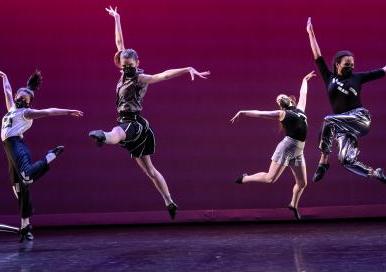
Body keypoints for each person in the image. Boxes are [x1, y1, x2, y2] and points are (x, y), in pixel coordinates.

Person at [89, 6, 210, 220]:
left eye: (130, 64)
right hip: (132, 125)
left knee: (117, 132)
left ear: (137, 63)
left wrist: (186, 69)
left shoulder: (138, 78)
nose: (126, 67)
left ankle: (103, 136)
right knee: (150, 171)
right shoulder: (123, 72)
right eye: (124, 64)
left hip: (134, 124)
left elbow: (162, 76)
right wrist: (117, 19)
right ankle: (169, 201)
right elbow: (120, 44)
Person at [1, 70, 83, 241]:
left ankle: (50, 156)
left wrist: (68, 111)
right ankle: (25, 227)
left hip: (17, 145)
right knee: (19, 189)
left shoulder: (26, 113)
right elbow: (8, 91)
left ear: (30, 102)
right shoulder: (12, 109)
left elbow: (48, 111)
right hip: (9, 148)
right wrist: (5, 77)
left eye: (26, 99)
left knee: (27, 177)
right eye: (20, 97)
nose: (21, 99)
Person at [306, 17, 386, 183]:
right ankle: (375, 173)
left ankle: (323, 162)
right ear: (337, 64)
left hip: (360, 118)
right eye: (347, 64)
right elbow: (318, 57)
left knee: (328, 121)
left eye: (352, 64)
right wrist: (311, 33)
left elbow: (383, 70)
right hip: (343, 127)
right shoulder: (329, 78)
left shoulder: (358, 78)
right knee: (346, 160)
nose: (351, 66)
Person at [230, 71, 316, 220]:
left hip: (298, 151)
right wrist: (243, 112)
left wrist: (304, 80)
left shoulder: (300, 110)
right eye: (277, 100)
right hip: (286, 147)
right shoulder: (281, 113)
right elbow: (260, 113)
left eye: (281, 97)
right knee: (270, 179)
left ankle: (293, 205)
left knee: (302, 183)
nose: (279, 99)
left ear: (290, 100)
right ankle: (246, 178)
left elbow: (303, 94)